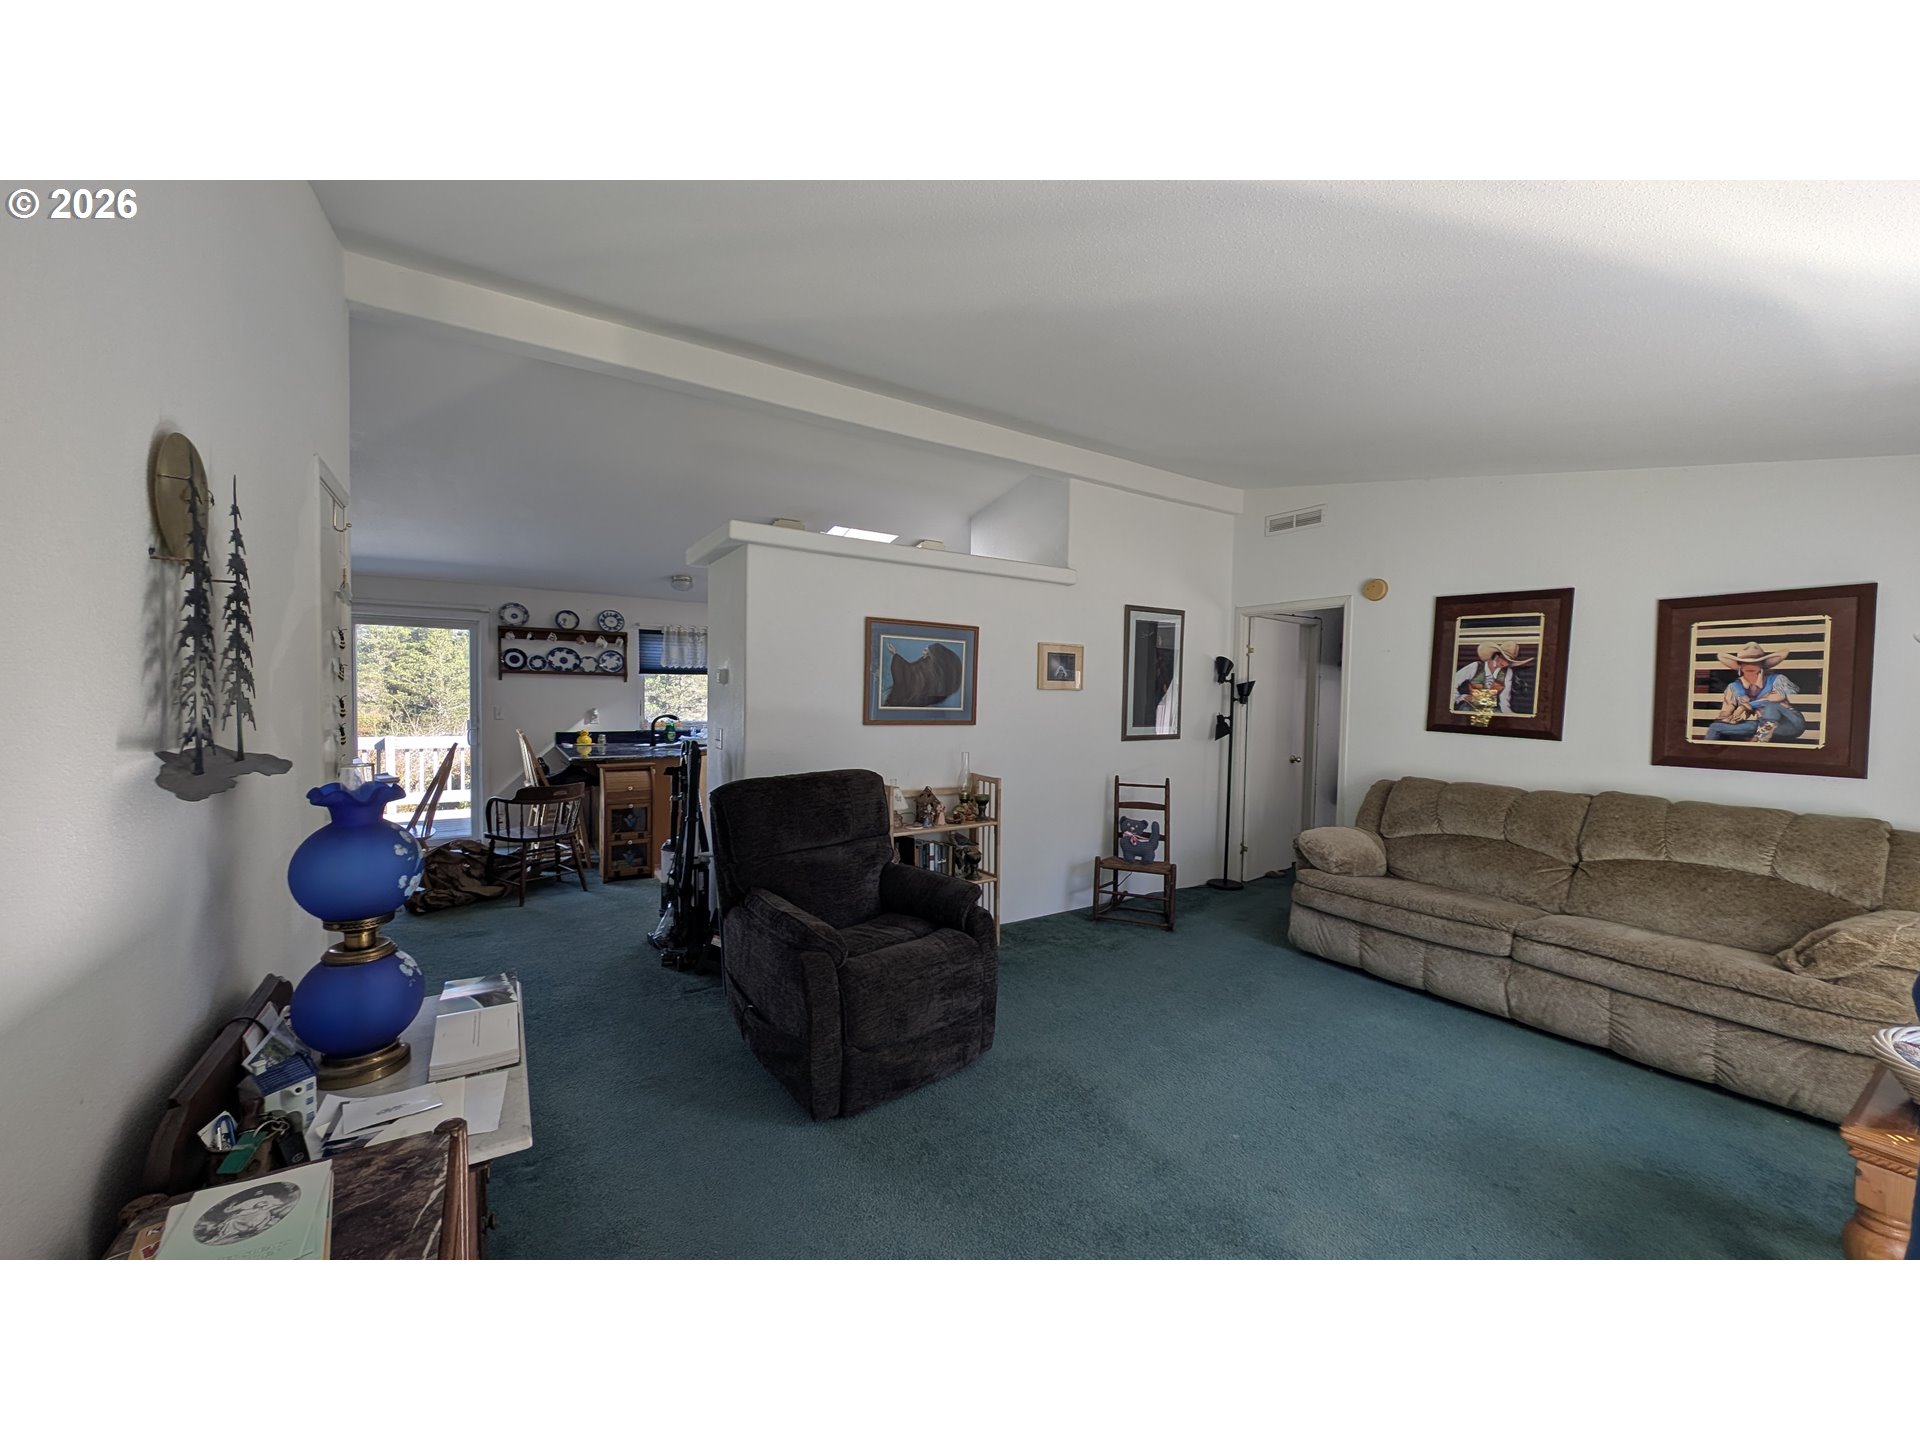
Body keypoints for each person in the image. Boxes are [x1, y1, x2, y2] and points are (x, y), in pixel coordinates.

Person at [1703, 642, 1806, 743]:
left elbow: (1771, 699)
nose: (1750, 665)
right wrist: (1729, 718)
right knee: (1716, 727)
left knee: (1770, 706)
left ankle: (1761, 737)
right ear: (1740, 666)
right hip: (1762, 725)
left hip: (1790, 723)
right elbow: (1727, 711)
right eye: (1745, 662)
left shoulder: (1777, 680)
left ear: (1762, 665)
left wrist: (1743, 707)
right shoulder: (1734, 687)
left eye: (1755, 662)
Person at [1451, 641, 1534, 716]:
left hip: (1490, 710)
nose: (1505, 663)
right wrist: (1460, 697)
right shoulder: (1475, 666)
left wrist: (1510, 716)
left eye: (1508, 661)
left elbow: (1504, 700)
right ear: (1496, 655)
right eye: (1503, 658)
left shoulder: (1508, 673)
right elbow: (1451, 683)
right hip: (1469, 707)